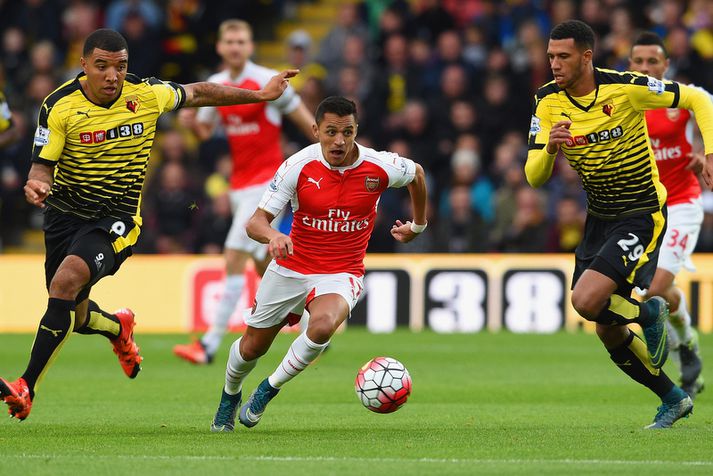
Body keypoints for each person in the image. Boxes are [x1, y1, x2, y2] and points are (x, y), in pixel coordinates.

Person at [0, 28, 297, 421]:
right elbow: (42, 164)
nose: (112, 76)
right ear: (84, 65)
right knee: (74, 310)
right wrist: (37, 182)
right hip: (64, 218)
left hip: (117, 218)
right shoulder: (59, 106)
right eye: (102, 67)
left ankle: (26, 386)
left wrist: (259, 95)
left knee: (64, 284)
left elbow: (202, 91)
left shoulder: (146, 94)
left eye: (120, 66)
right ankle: (118, 327)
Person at [525, 20, 713, 429]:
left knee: (585, 301)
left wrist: (711, 151)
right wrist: (550, 149)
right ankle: (674, 398)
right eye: (551, 56)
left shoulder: (626, 87)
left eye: (564, 56)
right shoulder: (546, 103)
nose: (555, 64)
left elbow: (701, 100)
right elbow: (534, 176)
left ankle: (649, 311)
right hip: (599, 219)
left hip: (640, 213)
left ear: (587, 57)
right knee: (606, 331)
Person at [210, 96, 428, 432]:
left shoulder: (379, 166)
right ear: (315, 131)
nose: (339, 141)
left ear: (356, 130)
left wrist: (418, 225)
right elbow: (255, 222)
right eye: (331, 132)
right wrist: (273, 237)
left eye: (347, 131)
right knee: (253, 346)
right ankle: (230, 395)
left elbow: (416, 173)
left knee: (323, 326)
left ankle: (268, 390)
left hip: (342, 271)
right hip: (292, 265)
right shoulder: (297, 166)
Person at [173, 19, 315, 366]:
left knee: (234, 254)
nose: (235, 47)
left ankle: (208, 344)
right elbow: (206, 132)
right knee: (263, 262)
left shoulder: (268, 81)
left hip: (269, 183)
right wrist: (192, 126)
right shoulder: (217, 86)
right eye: (230, 42)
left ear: (250, 46)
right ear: (221, 48)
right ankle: (312, 320)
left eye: (242, 41)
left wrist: (329, 147)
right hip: (239, 185)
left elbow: (305, 121)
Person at [628, 32, 707, 398]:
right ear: (630, 67)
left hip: (682, 203)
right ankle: (688, 341)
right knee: (657, 290)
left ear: (666, 66)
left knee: (654, 289)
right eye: (639, 62)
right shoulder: (624, 100)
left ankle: (679, 350)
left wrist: (705, 151)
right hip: (646, 208)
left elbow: (707, 105)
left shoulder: (680, 98)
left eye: (652, 62)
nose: (646, 68)